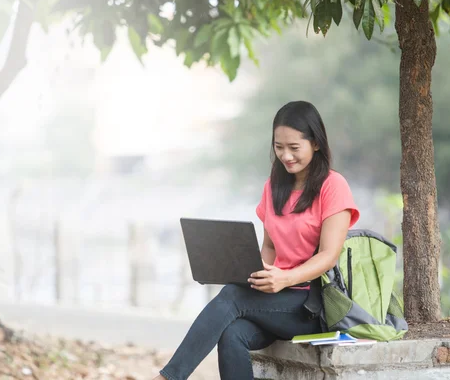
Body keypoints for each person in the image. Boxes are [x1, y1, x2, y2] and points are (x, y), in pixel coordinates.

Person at [153, 101, 360, 380]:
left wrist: (285, 279)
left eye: (294, 147)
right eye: (278, 147)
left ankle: (169, 377)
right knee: (232, 333)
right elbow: (271, 247)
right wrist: (252, 271)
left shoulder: (333, 186)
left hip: (311, 304)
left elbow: (328, 256)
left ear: (316, 144)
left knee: (232, 296)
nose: (285, 155)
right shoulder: (274, 186)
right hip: (276, 301)